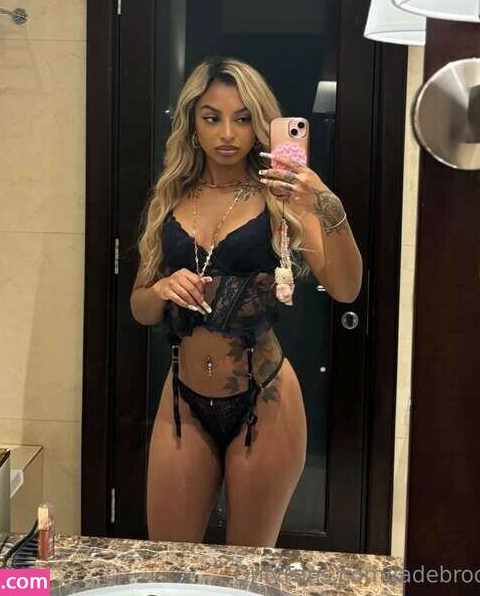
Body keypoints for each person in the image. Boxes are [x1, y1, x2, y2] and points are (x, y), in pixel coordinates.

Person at [130, 56, 362, 547]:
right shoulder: (170, 198)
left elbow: (345, 288)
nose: (227, 133)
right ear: (192, 122)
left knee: (247, 568)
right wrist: (161, 290)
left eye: (242, 118)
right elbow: (140, 308)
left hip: (265, 400)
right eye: (211, 117)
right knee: (169, 560)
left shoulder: (280, 197)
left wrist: (327, 203)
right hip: (183, 401)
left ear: (259, 125)